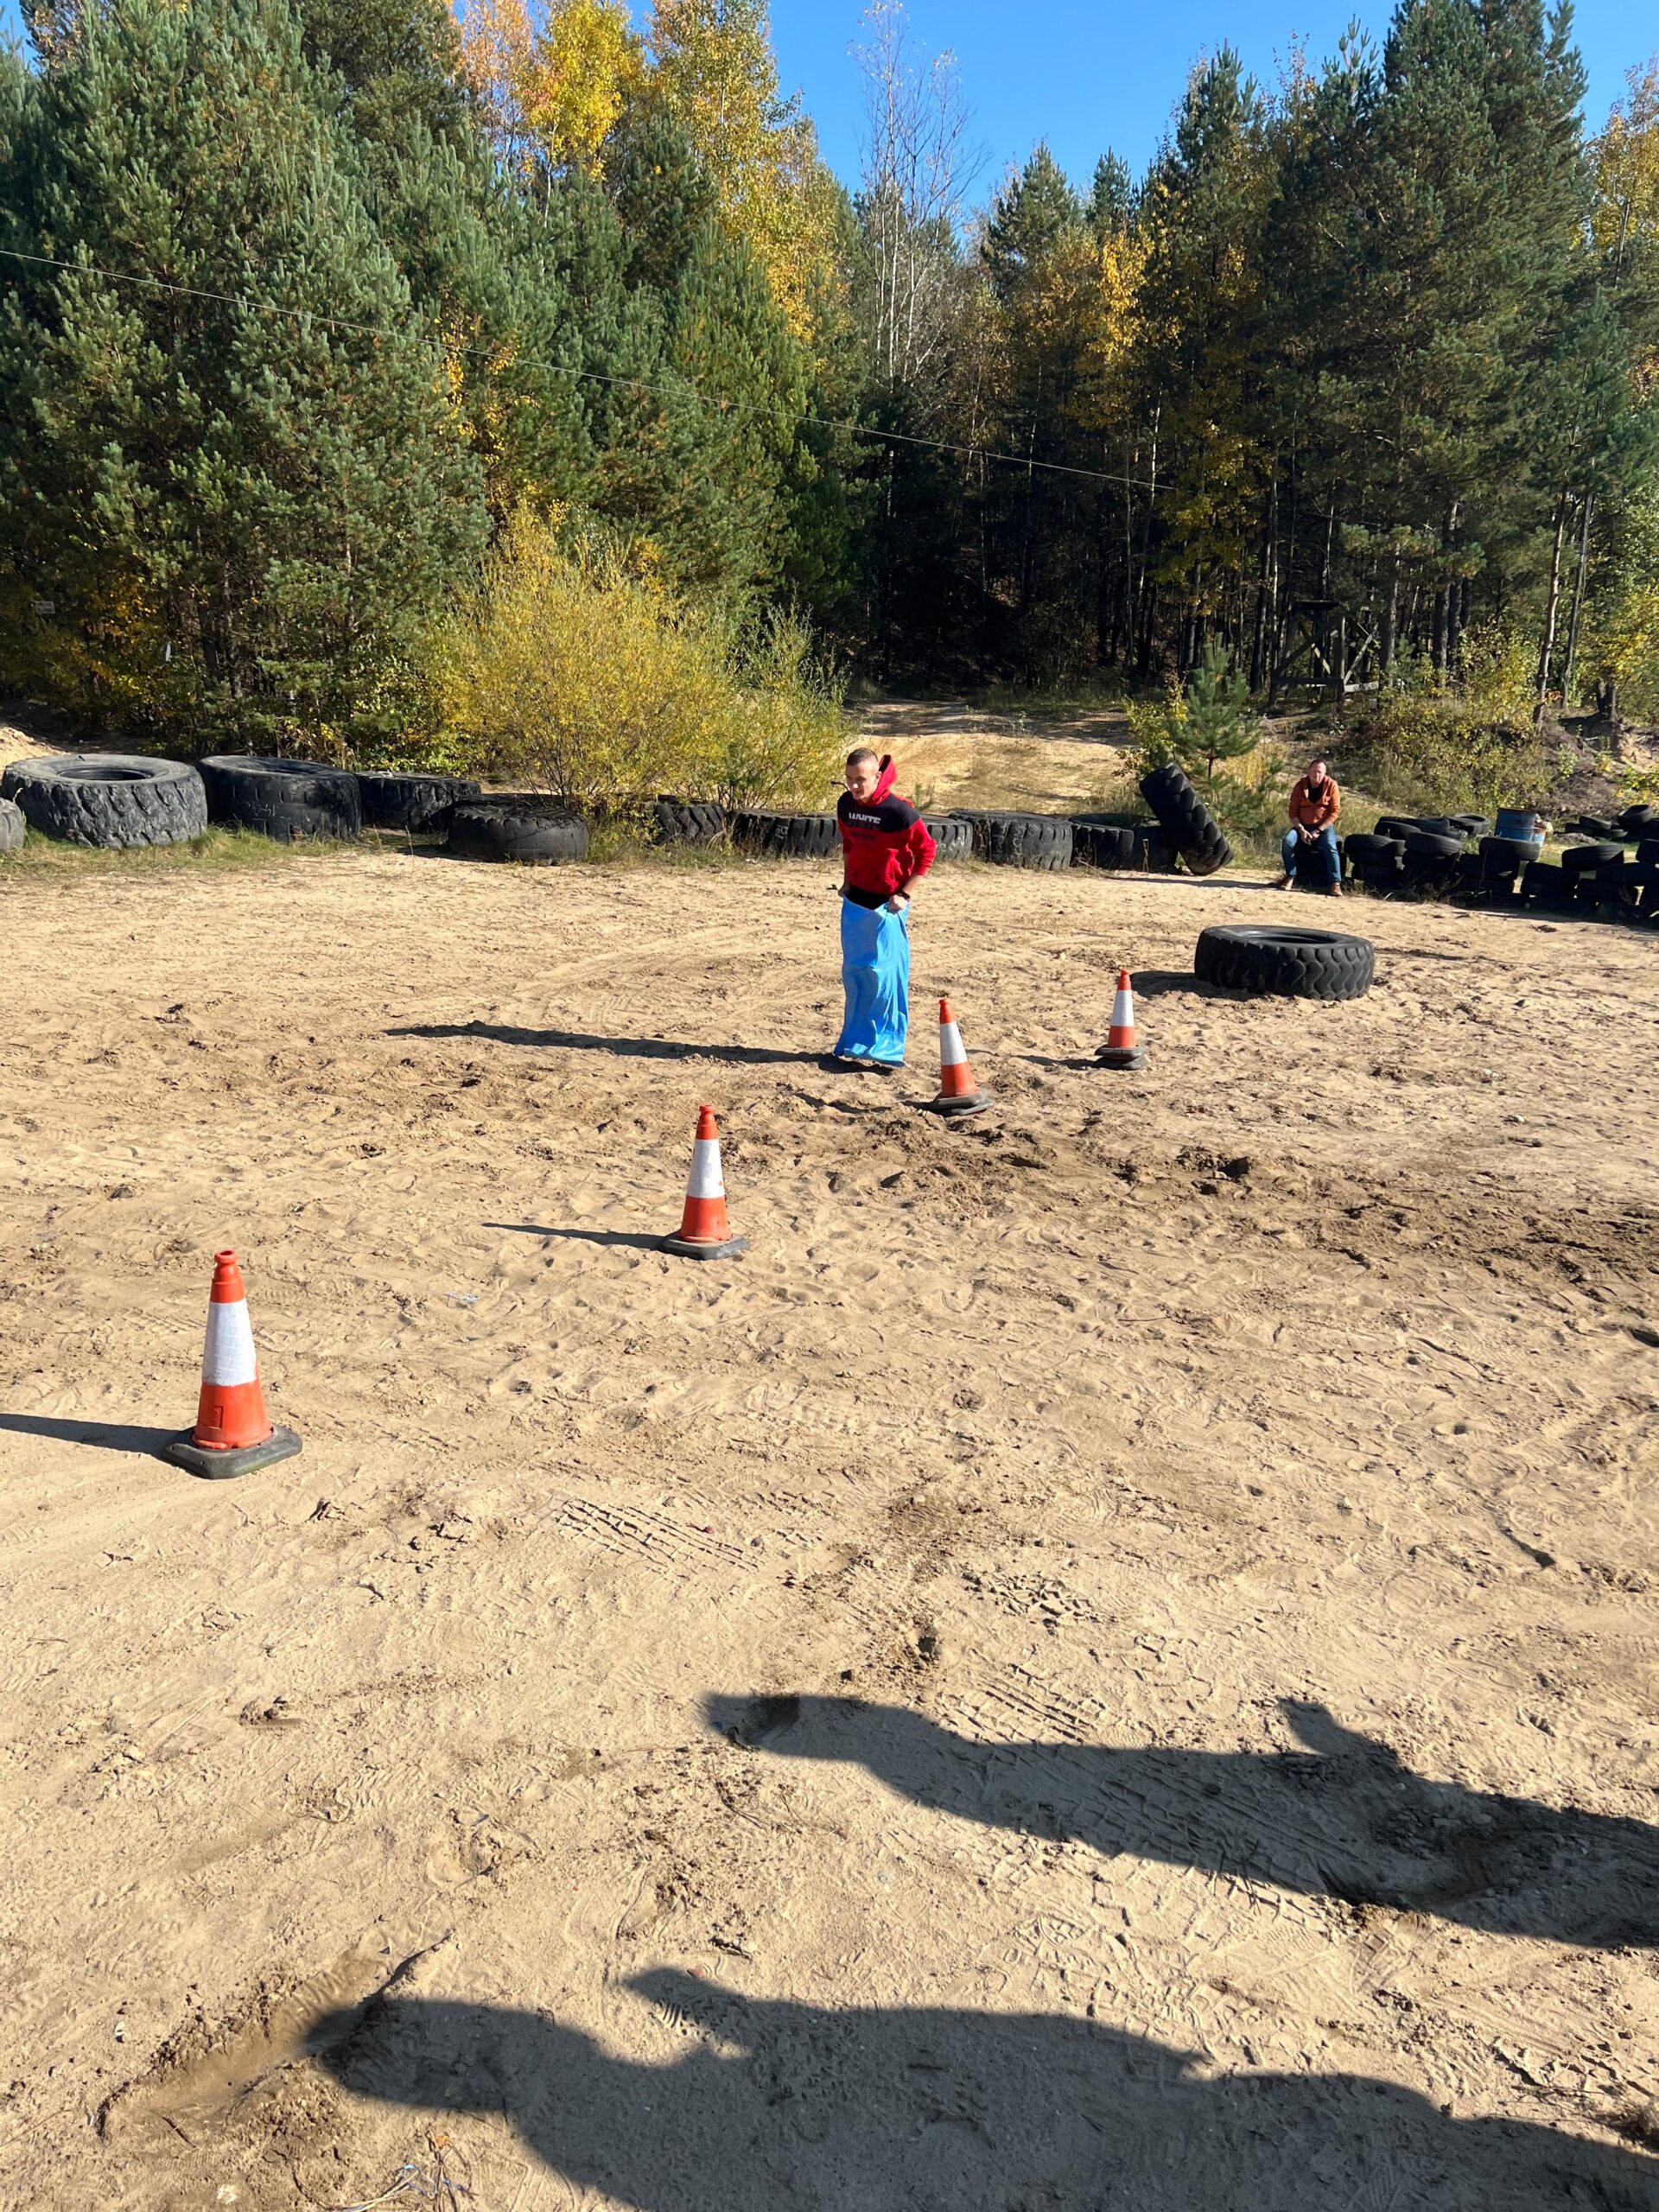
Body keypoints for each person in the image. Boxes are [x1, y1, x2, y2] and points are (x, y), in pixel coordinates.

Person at [833, 748, 937, 1068]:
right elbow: (849, 844)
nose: (854, 786)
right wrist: (847, 882)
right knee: (857, 974)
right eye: (849, 779)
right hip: (856, 901)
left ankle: (886, 1050)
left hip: (889, 905)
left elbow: (927, 853)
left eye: (860, 780)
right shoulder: (846, 805)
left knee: (886, 978)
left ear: (877, 777)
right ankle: (854, 1043)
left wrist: (904, 894)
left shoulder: (900, 812)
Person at [1279, 758, 1343, 894]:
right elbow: (1292, 811)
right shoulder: (1300, 786)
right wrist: (1301, 829)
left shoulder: (1331, 785)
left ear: (1325, 773)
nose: (1316, 775)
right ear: (1309, 771)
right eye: (1314, 771)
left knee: (1331, 847)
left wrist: (1319, 830)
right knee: (1287, 842)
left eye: (1320, 772)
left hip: (1323, 827)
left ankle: (1335, 883)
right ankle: (1290, 876)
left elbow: (1335, 812)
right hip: (1302, 826)